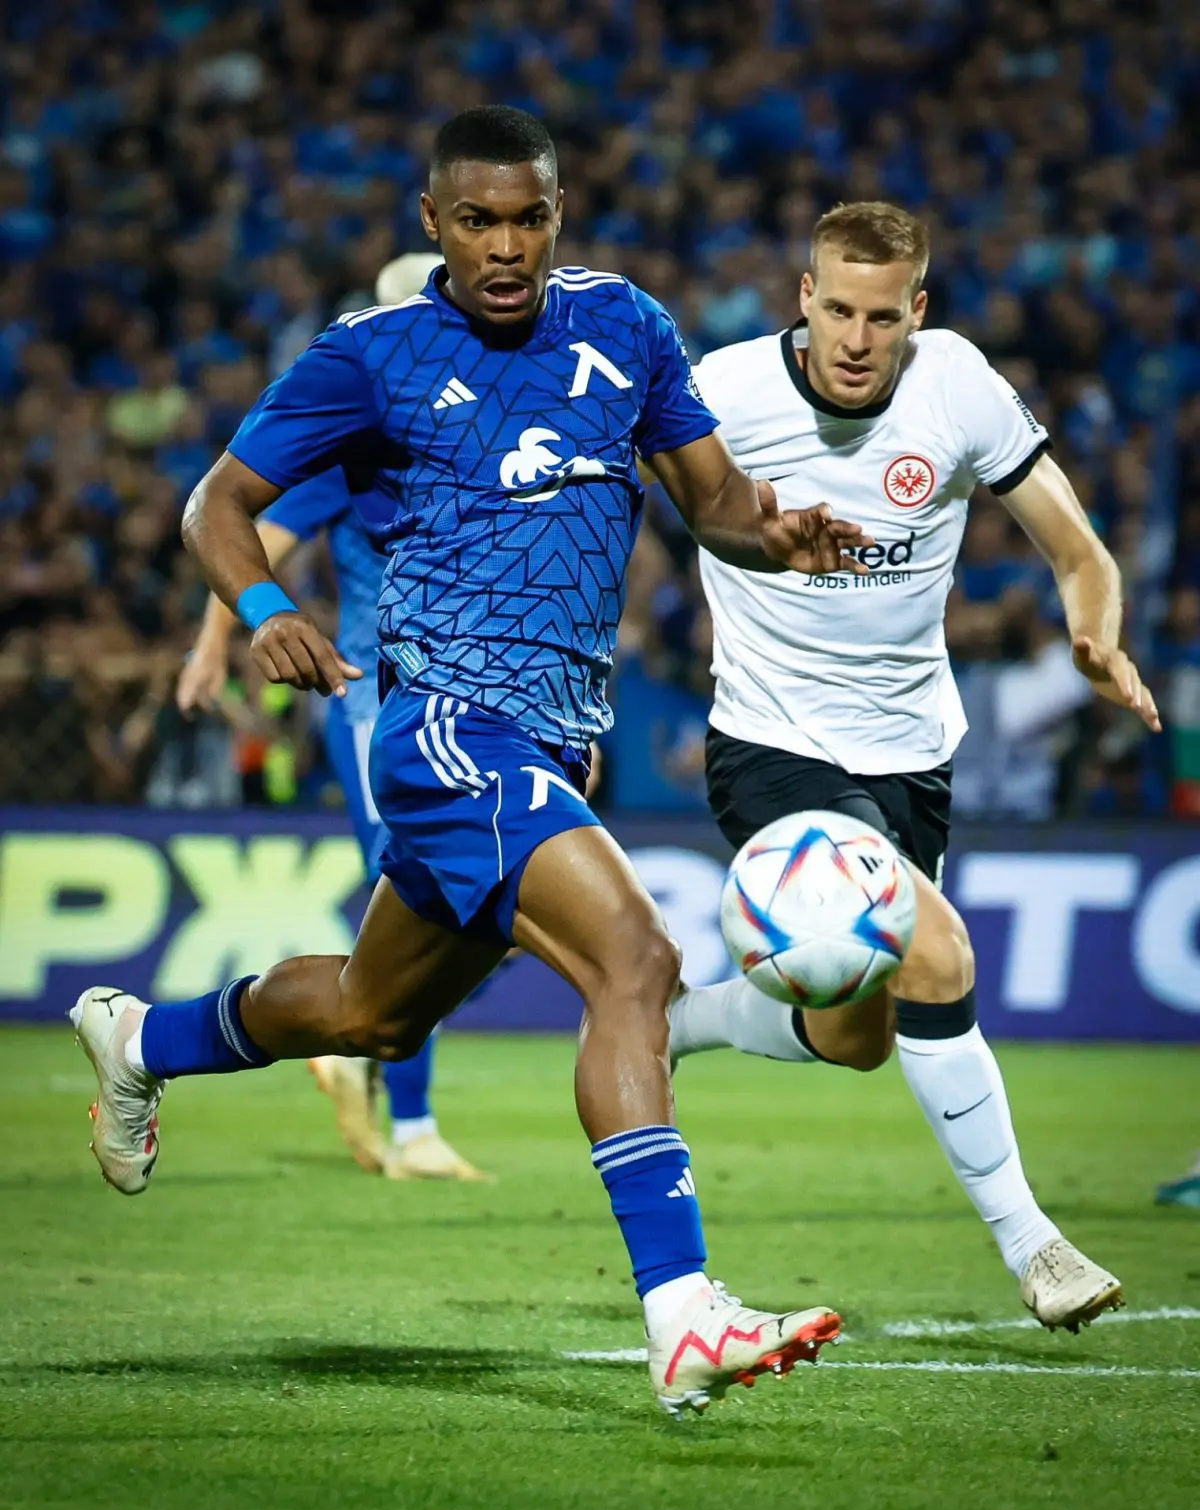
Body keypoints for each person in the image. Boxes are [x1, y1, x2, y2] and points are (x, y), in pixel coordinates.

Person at [69, 106, 868, 1416]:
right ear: (432, 223)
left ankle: (140, 1036)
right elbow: (219, 503)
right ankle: (682, 1314)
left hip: (559, 740)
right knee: (637, 962)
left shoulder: (627, 327)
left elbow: (717, 503)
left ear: (559, 217)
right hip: (449, 726)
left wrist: (777, 536)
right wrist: (263, 612)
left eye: (529, 219)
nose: (506, 247)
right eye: (479, 221)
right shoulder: (368, 355)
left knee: (372, 1015)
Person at [668, 201, 1161, 1333]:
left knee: (856, 1035)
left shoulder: (958, 387)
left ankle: (681, 1019)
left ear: (916, 312)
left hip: (911, 755)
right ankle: (1036, 1247)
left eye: (881, 317)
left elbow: (1078, 550)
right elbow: (618, 502)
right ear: (804, 297)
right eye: (837, 309)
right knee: (935, 953)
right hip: (774, 743)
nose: (855, 338)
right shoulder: (723, 391)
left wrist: (1096, 634)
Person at [177, 253, 486, 1184]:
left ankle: (351, 1042)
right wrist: (214, 643)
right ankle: (413, 1124)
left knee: (474, 909)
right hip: (377, 705)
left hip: (478, 703)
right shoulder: (368, 432)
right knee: (431, 895)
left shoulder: (478, 428)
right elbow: (254, 536)